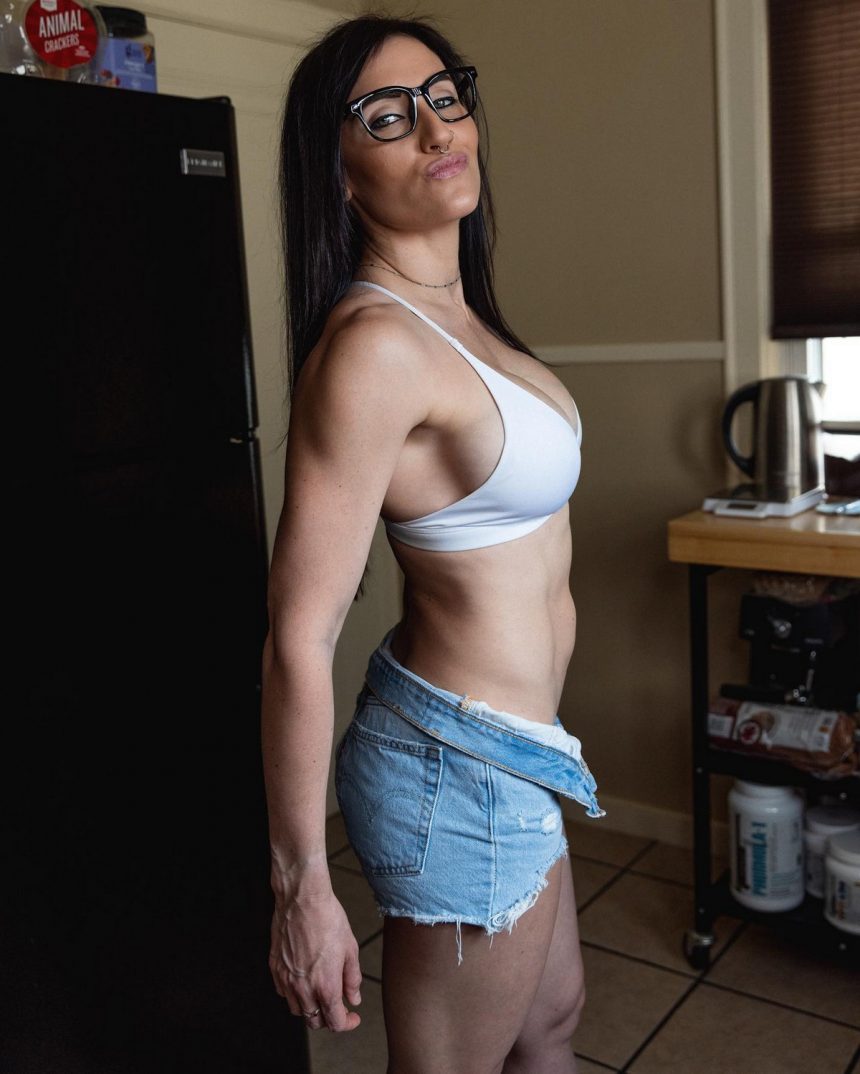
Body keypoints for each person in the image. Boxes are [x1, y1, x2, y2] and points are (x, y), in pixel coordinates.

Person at [261, 13, 606, 1073]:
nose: (434, 128)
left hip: (516, 747)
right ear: (339, 175)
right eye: (386, 116)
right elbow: (298, 635)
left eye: (443, 97)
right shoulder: (374, 347)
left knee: (550, 1023)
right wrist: (301, 883)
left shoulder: (465, 322)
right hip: (456, 765)